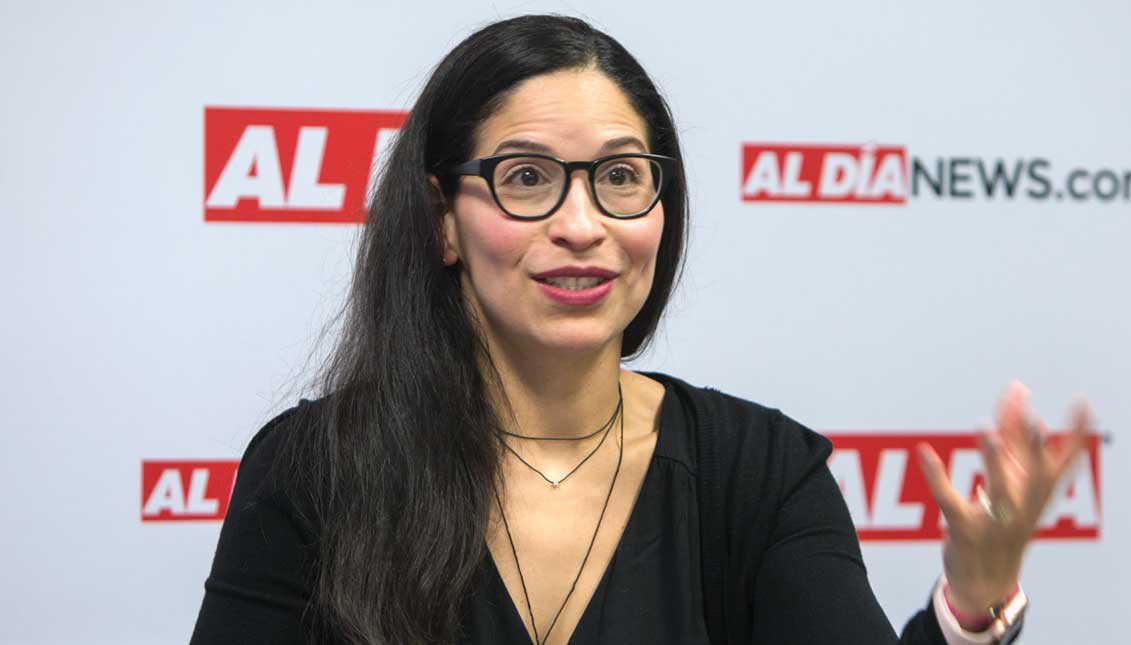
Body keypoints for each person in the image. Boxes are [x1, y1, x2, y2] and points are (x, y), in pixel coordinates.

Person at [189, 14, 1092, 645]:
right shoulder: (315, 470)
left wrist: (972, 608)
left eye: (620, 177)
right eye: (528, 177)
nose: (583, 224)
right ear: (441, 220)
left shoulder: (760, 473)